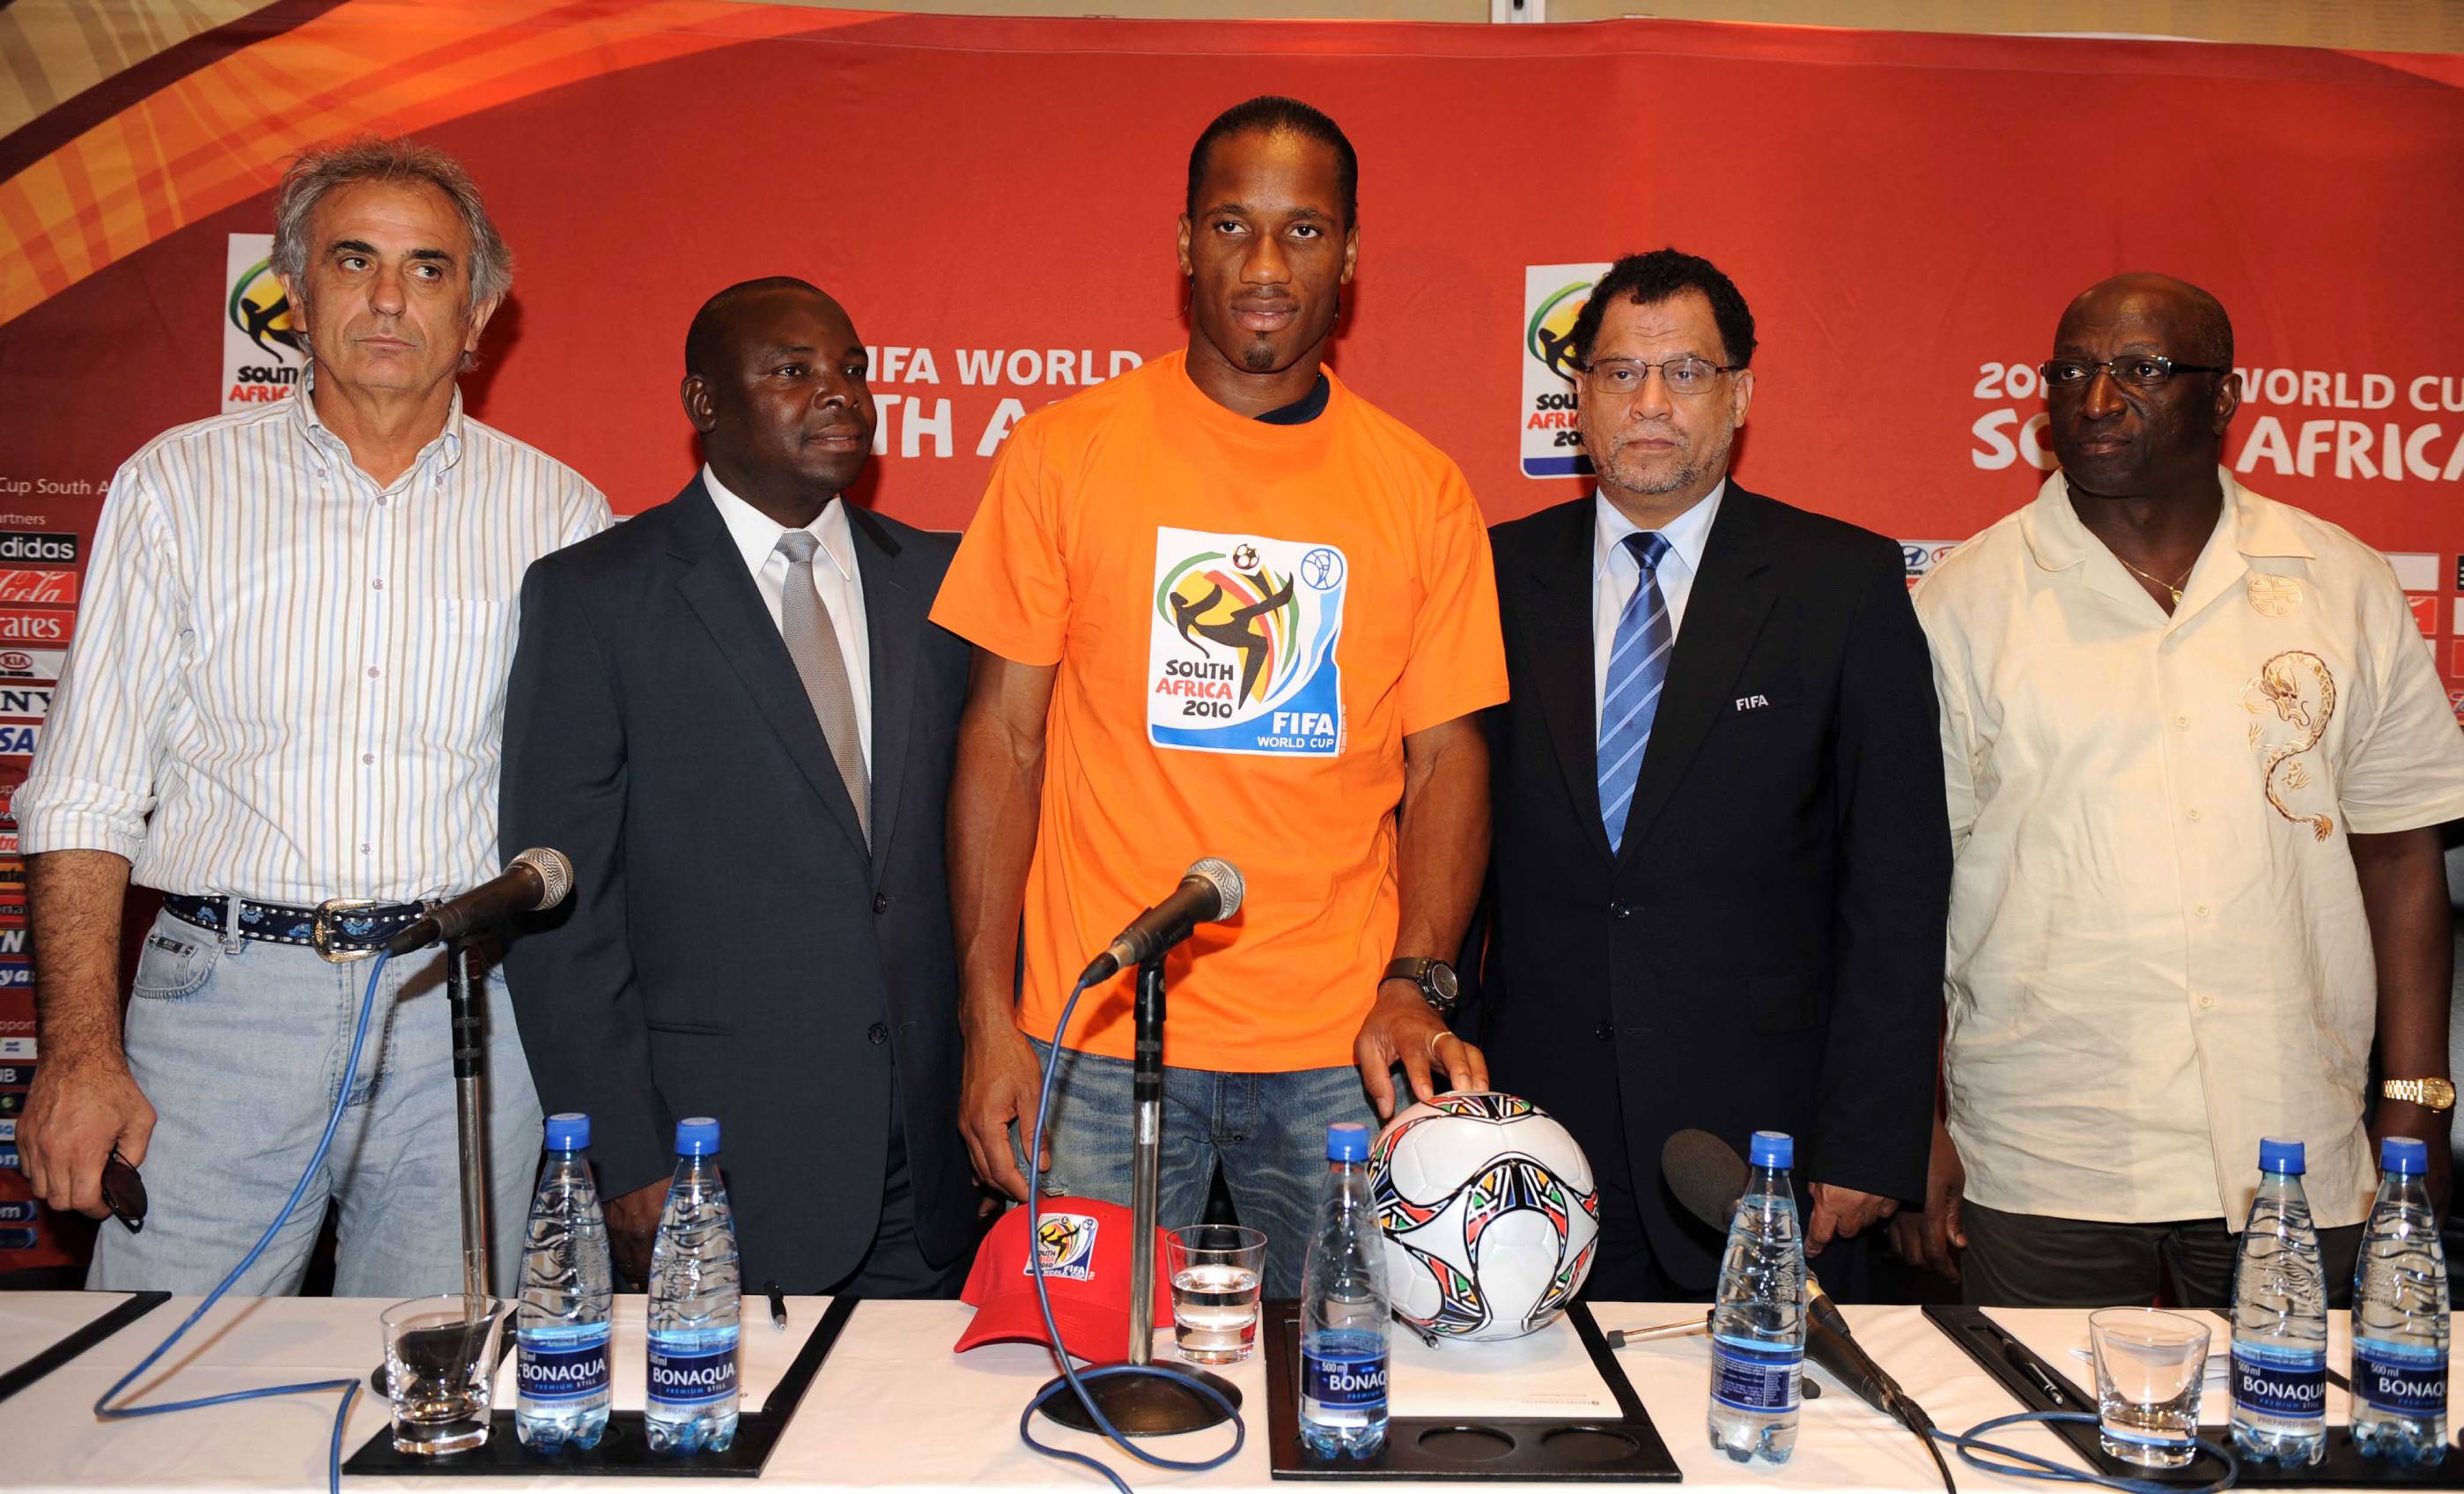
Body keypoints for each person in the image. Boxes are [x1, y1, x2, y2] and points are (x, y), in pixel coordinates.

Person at [931, 96, 1507, 1297]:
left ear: (1347, 258)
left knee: (1333, 1397)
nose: (1262, 264)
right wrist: (987, 1012)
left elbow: (1448, 763)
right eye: (1231, 224)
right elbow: (1005, 740)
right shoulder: (1062, 453)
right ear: (1184, 242)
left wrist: (1418, 979)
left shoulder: (1421, 489)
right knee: (1082, 1382)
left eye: (1302, 232)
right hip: (1091, 1039)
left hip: (1334, 1052)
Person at [13, 137, 608, 1295]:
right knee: (155, 1409)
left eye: (430, 269)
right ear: (292, 293)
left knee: (436, 1402)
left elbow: (601, 804)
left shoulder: (565, 513)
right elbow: (85, 792)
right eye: (354, 261)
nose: (390, 298)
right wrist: (79, 1056)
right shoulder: (174, 486)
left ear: (479, 313)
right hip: (222, 1013)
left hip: (465, 1018)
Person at [1900, 273, 2464, 1306]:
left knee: (2287, 1454)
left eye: (2139, 370)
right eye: (2069, 372)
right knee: (2028, 1455)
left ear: (2223, 397)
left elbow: (2398, 852)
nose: (2096, 399)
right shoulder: (1963, 602)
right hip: (2043, 1149)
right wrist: (1912, 1116)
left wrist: (2415, 1102)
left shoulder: (2340, 582)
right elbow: (1906, 888)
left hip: (2294, 1141)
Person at [1480, 248, 1950, 1302]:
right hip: (1522, 1161)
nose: (1649, 402)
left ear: (1738, 394)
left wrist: (1867, 1140)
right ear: (1577, 396)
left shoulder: (1843, 584)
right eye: (1617, 374)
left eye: (1685, 373)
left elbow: (1897, 883)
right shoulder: (1490, 576)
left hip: (1761, 1158)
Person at [498, 277, 981, 1296]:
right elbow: (562, 915)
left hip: (925, 1172)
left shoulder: (946, 590)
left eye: (851, 368)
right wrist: (623, 1156)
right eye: (792, 371)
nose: (839, 393)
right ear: (702, 403)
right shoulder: (595, 596)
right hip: (708, 1168)